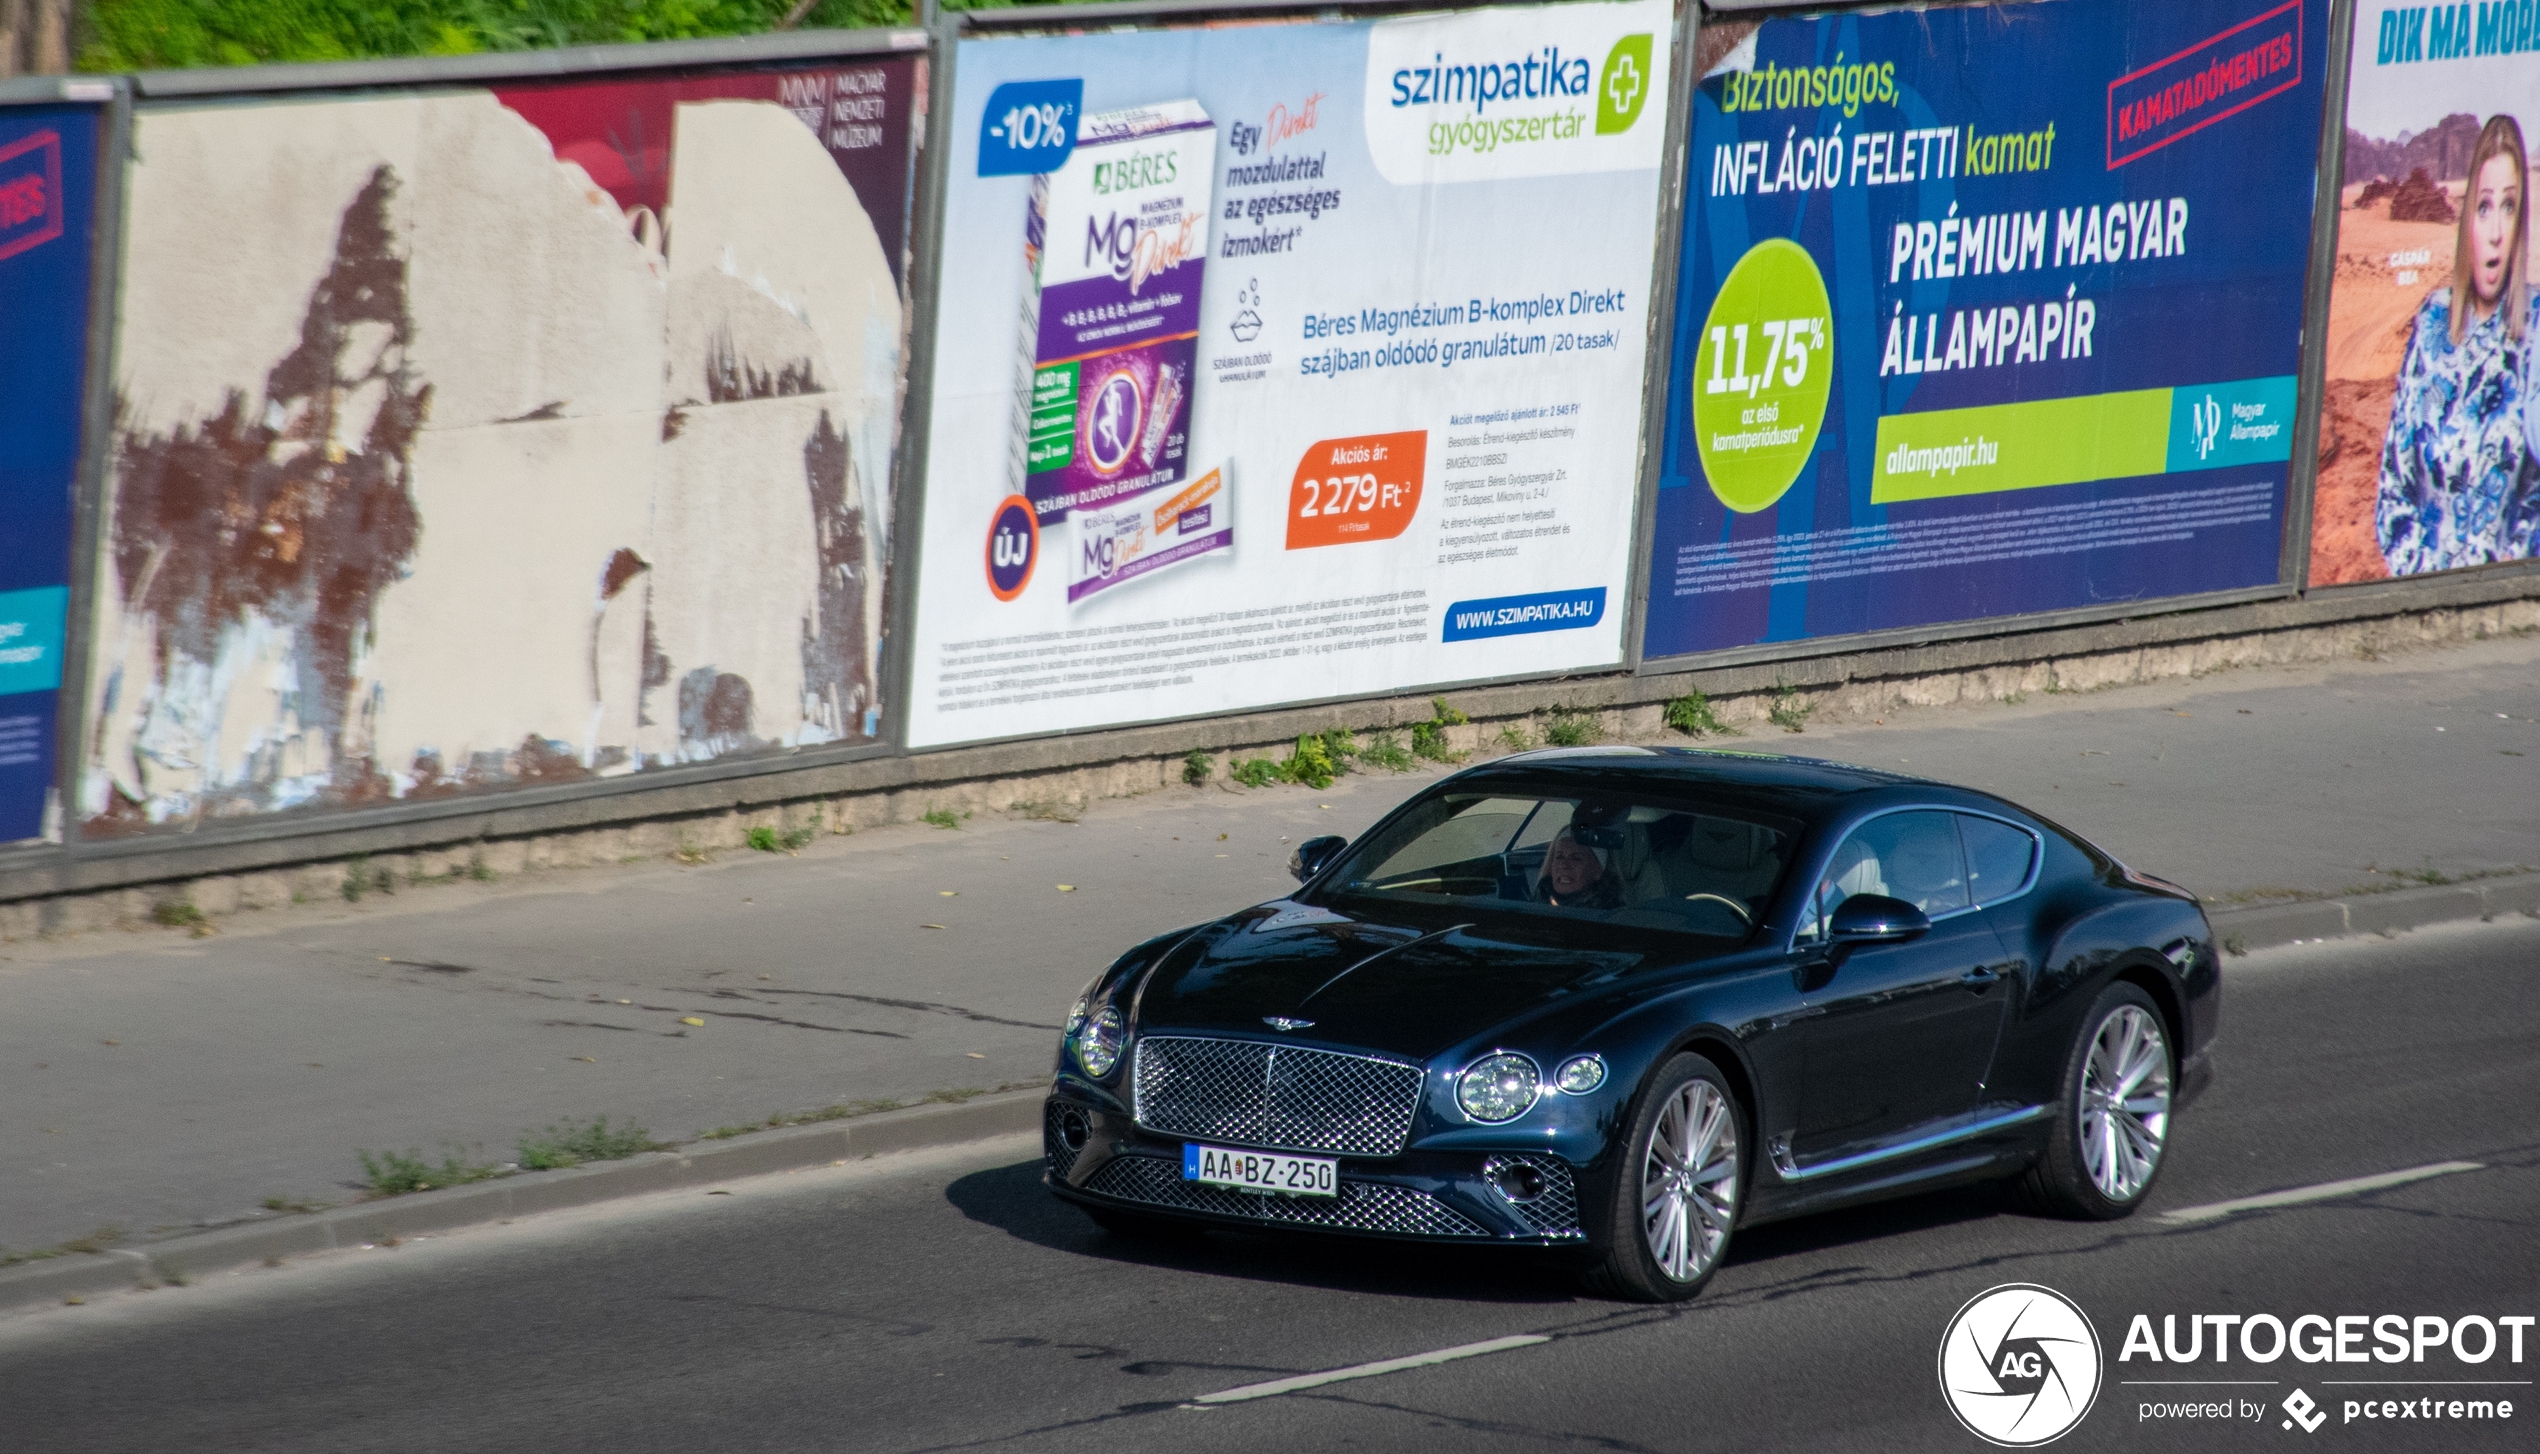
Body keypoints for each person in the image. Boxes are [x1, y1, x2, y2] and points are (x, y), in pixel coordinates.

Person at [2377, 114, 2540, 575]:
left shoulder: (2537, 332)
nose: (2495, 231)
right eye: (2484, 206)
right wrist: (2424, 581)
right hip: (2420, 600)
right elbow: (2394, 489)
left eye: (2509, 207)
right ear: (2467, 216)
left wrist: (2509, 574)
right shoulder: (2432, 323)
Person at [1537, 827, 1624, 910]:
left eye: (1576, 859)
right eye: (1559, 857)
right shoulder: (1534, 905)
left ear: (1598, 870)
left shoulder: (1613, 917)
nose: (1563, 865)